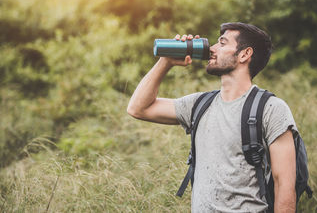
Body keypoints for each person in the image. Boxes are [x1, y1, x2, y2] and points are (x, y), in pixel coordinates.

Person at [127, 22, 297, 213]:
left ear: (244, 54)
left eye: (222, 44)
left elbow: (284, 185)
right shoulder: (199, 104)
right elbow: (138, 108)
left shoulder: (270, 108)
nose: (212, 49)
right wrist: (165, 61)